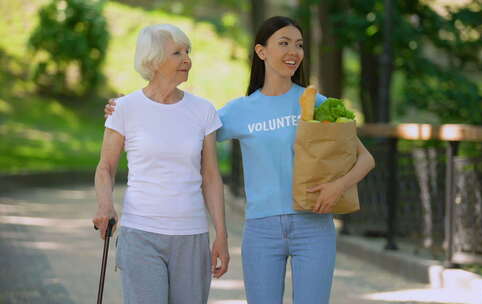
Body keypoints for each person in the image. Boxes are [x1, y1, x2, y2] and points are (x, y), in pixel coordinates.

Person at [105, 16, 374, 304]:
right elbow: (182, 127)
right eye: (283, 43)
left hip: (313, 226)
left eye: (299, 45)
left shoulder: (314, 103)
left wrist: (338, 186)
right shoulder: (238, 111)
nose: (293, 52)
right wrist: (132, 107)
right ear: (261, 52)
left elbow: (365, 159)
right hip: (262, 229)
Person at [93, 24, 229, 304]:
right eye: (177, 52)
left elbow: (211, 176)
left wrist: (221, 234)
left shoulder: (203, 110)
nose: (187, 59)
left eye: (188, 51)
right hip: (140, 233)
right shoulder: (124, 109)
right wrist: (105, 205)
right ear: (153, 60)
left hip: (191, 236)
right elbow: (105, 167)